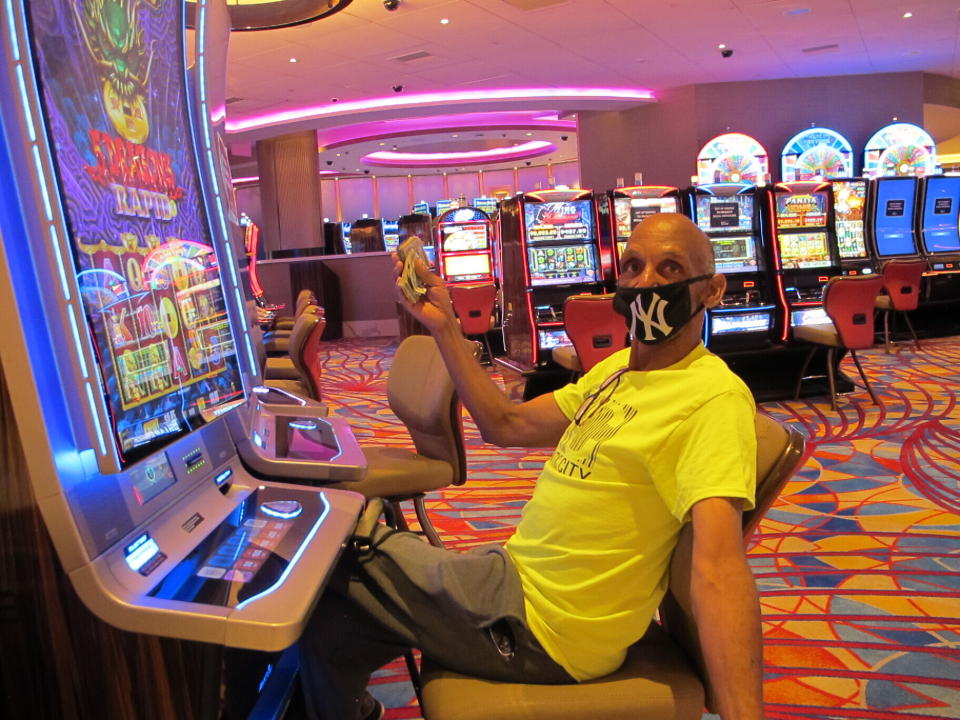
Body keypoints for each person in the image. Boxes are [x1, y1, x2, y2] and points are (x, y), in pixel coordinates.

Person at [298, 213, 763, 720]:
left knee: (337, 546)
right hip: (515, 577)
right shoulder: (619, 371)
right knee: (334, 621)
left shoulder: (711, 399)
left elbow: (719, 570)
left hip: (547, 628)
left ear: (712, 290)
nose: (645, 282)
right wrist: (444, 325)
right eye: (632, 266)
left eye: (669, 269)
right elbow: (506, 424)